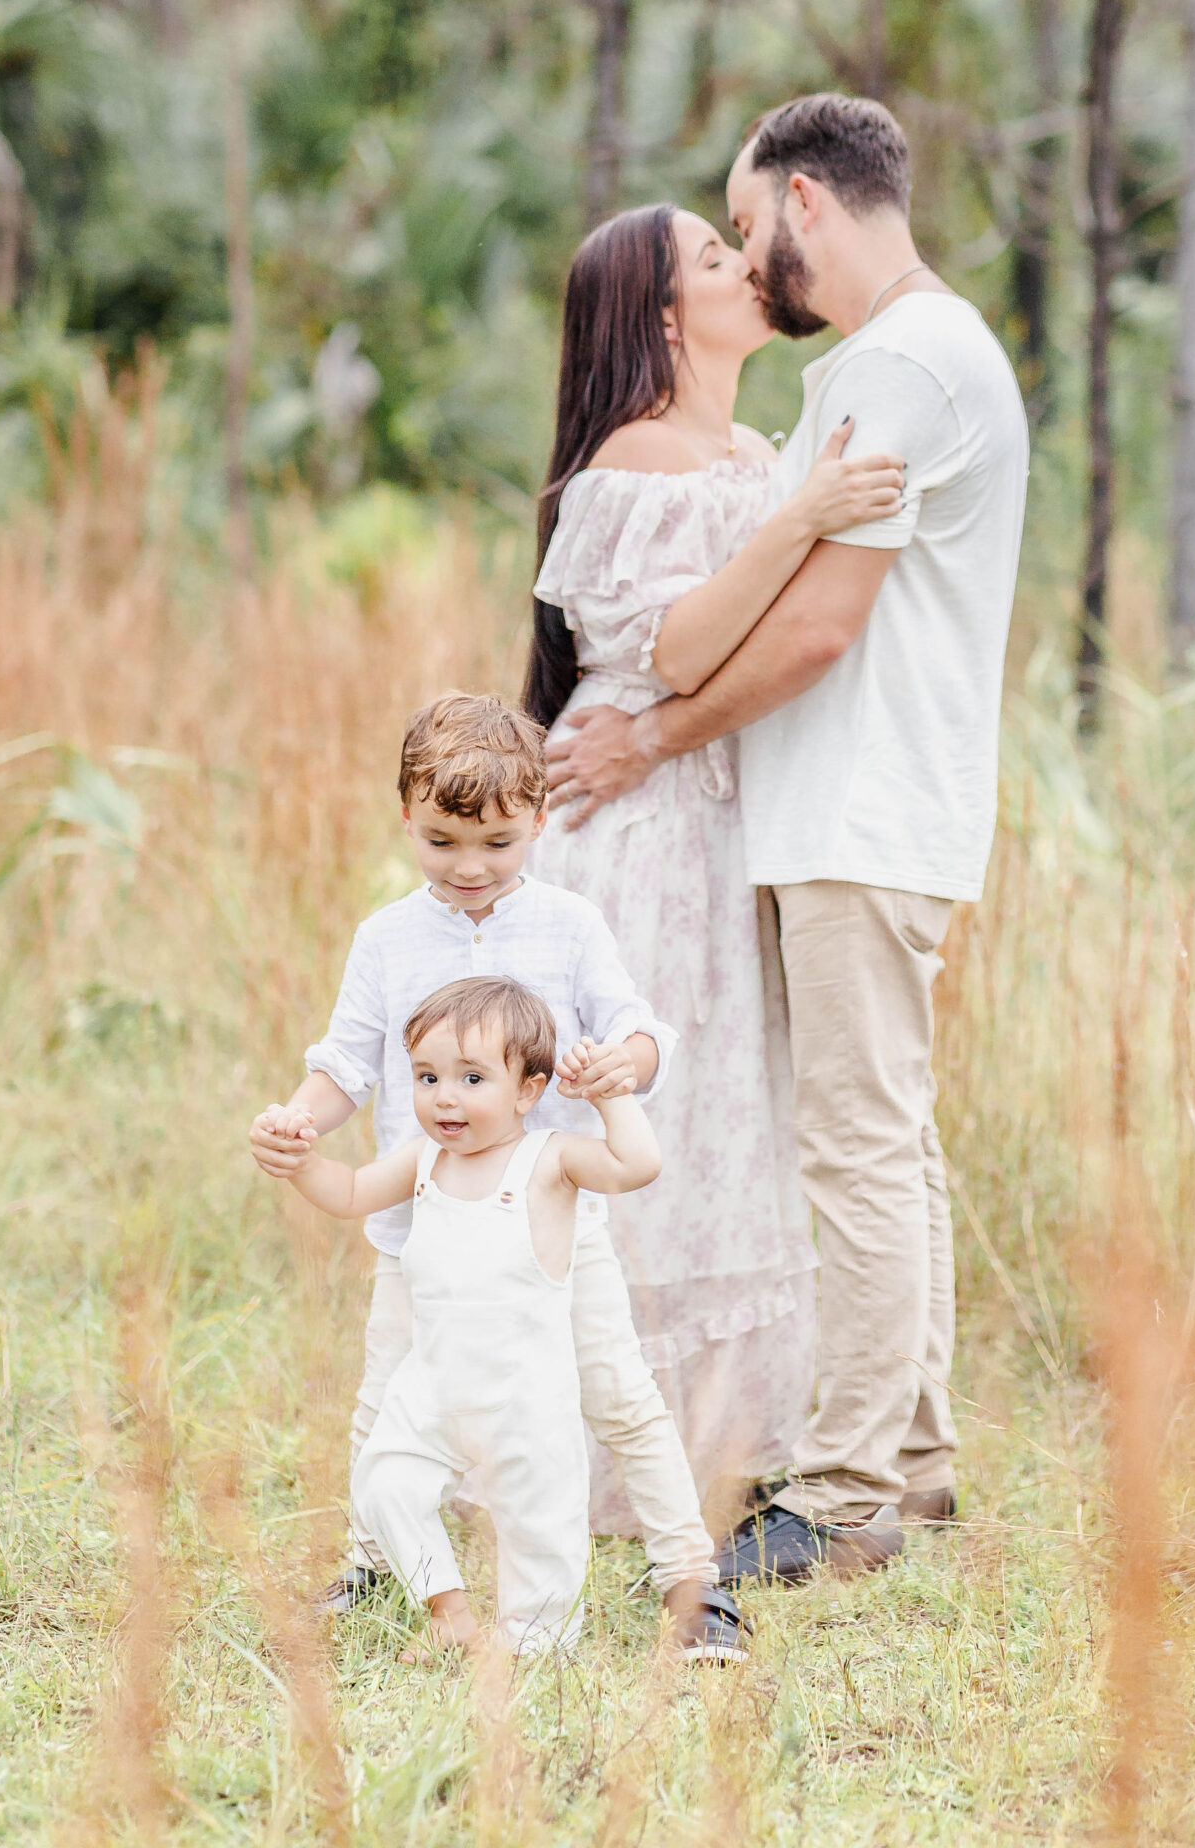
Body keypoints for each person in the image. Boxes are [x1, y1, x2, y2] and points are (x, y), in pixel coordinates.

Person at [545, 93, 1029, 1586]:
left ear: (804, 204)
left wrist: (646, 735)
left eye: (748, 224)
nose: (749, 258)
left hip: (863, 810)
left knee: (858, 1151)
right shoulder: (888, 362)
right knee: (886, 1142)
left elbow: (817, 626)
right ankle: (915, 1465)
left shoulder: (899, 366)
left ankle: (840, 1500)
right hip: (848, 812)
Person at [523, 201, 905, 1522]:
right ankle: (607, 1452)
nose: (745, 266)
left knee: (728, 1117)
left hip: (721, 813)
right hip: (633, 830)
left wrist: (794, 503)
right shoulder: (632, 463)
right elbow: (679, 651)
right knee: (646, 1114)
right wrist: (800, 513)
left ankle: (714, 1449)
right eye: (707, 258)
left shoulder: (747, 447)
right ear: (661, 317)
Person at [247, 690, 745, 1660]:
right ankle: (374, 1564)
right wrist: (296, 1125)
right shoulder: (387, 937)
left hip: (551, 1233)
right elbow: (347, 1062)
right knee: (386, 1396)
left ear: (538, 824)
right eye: (441, 843)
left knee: (619, 1393)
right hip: (421, 1231)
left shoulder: (567, 924)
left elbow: (641, 1028)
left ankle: (690, 1579)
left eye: (498, 846)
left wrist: (616, 1069)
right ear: (406, 819)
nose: (470, 870)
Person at [275, 973, 659, 1658]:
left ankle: (526, 1649)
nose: (444, 1096)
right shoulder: (424, 1160)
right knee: (384, 1484)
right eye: (426, 1077)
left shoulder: (550, 1160)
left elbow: (635, 1164)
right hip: (435, 1385)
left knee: (539, 1539)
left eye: (472, 1078)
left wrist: (610, 1096)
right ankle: (447, 1611)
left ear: (528, 1090)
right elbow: (351, 1191)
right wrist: (300, 1160)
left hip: (523, 1396)